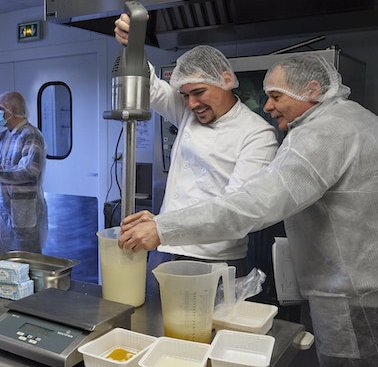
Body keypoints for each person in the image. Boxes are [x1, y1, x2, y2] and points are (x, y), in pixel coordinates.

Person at [119, 54, 378, 367]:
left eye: (276, 96)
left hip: (360, 302)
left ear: (312, 90)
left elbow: (254, 204)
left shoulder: (320, 134)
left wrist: (164, 226)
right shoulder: (372, 125)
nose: (267, 105)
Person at [114, 14, 278, 290]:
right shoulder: (189, 112)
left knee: (208, 332)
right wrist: (135, 46)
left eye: (199, 92)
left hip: (214, 262)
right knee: (157, 328)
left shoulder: (257, 135)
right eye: (185, 94)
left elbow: (235, 212)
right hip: (166, 251)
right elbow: (152, 88)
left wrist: (164, 228)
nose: (191, 103)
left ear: (226, 80)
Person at [0, 91, 48, 253]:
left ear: (11, 110)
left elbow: (30, 171)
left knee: (28, 259)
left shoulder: (31, 135)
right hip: (4, 208)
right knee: (8, 258)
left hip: (25, 209)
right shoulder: (2, 137)